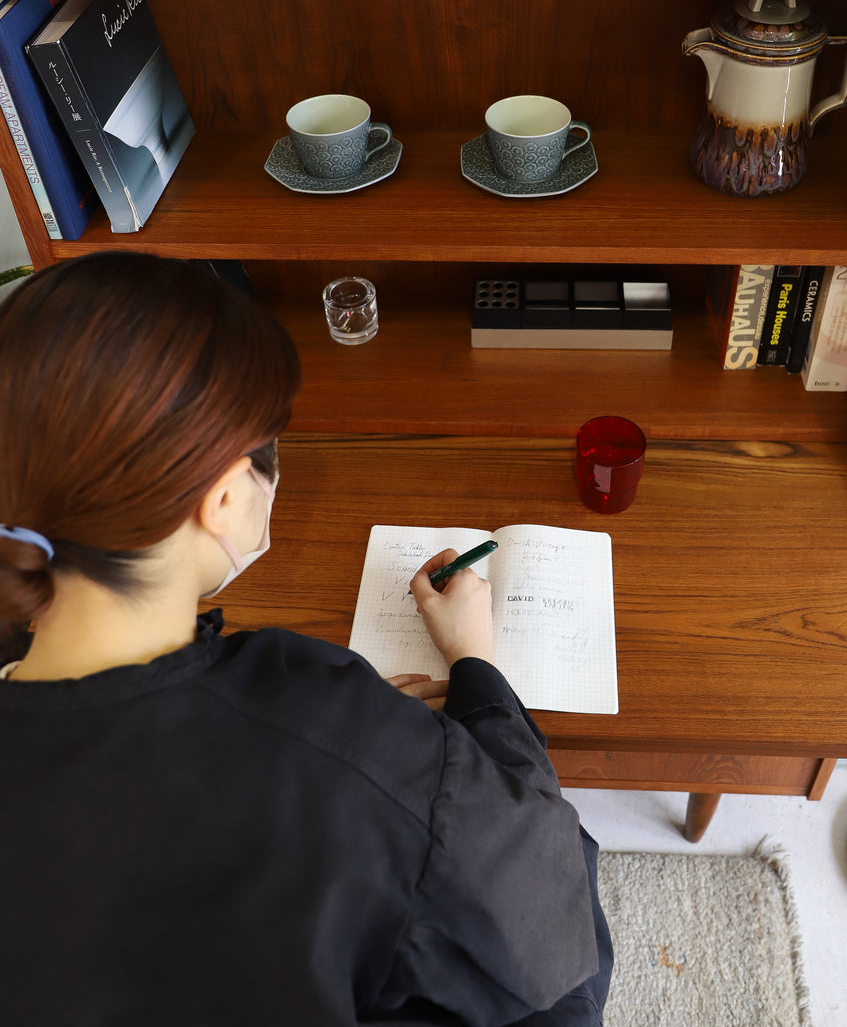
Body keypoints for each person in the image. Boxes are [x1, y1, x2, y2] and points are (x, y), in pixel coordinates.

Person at [0, 253, 612, 1027]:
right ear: (222, 498)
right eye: (270, 448)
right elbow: (551, 929)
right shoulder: (324, 715)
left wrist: (339, 745)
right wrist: (468, 675)